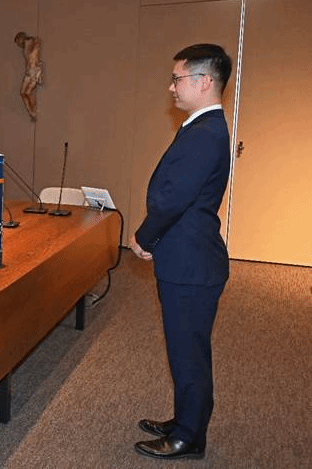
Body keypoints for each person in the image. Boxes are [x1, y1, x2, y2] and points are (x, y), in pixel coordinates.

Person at [130, 44, 232, 460]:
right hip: (187, 259)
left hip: (191, 264)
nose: (171, 87)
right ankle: (185, 419)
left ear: (204, 82)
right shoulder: (202, 126)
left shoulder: (206, 133)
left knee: (188, 352)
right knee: (184, 348)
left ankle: (189, 437)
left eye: (177, 79)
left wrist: (144, 237)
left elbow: (174, 197)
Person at [14, 31, 43, 120]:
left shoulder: (32, 43)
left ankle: (33, 112)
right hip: (29, 73)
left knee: (26, 93)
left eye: (18, 42)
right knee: (23, 93)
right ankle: (32, 111)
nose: (18, 44)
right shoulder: (27, 46)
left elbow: (35, 49)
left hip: (33, 73)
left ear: (21, 38)